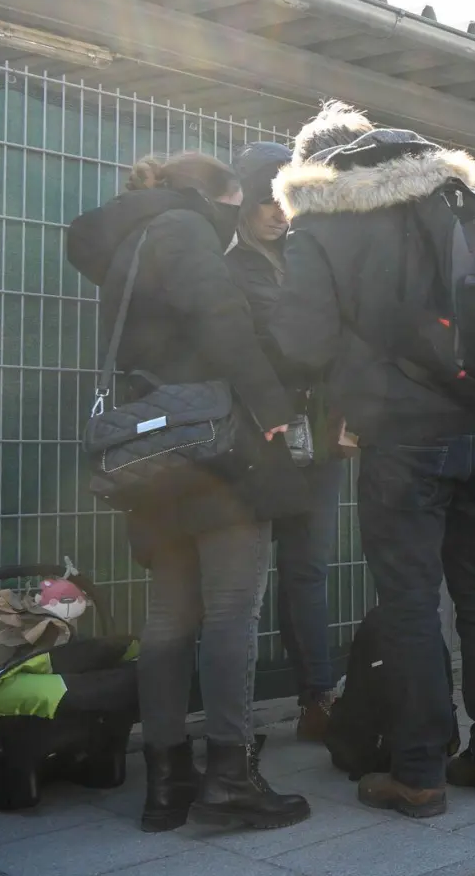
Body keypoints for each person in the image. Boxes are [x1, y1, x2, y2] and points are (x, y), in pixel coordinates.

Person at [273, 103, 475, 817]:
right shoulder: (467, 203)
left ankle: (418, 771)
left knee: (410, 602)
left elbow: (302, 341)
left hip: (404, 435)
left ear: (322, 166)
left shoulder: (324, 222)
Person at [65, 152, 311, 831]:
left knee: (170, 618)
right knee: (232, 611)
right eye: (235, 207)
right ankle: (230, 776)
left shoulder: (128, 244)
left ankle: (167, 781)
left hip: (153, 456)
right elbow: (224, 322)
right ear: (217, 201)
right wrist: (272, 408)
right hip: (213, 453)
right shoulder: (185, 230)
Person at [226, 141, 341, 742]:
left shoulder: (306, 258)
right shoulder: (230, 265)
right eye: (264, 198)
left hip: (316, 436)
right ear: (240, 200)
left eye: (285, 199)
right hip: (258, 438)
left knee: (308, 569)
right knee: (242, 580)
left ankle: (316, 698)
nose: (276, 210)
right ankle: (234, 721)